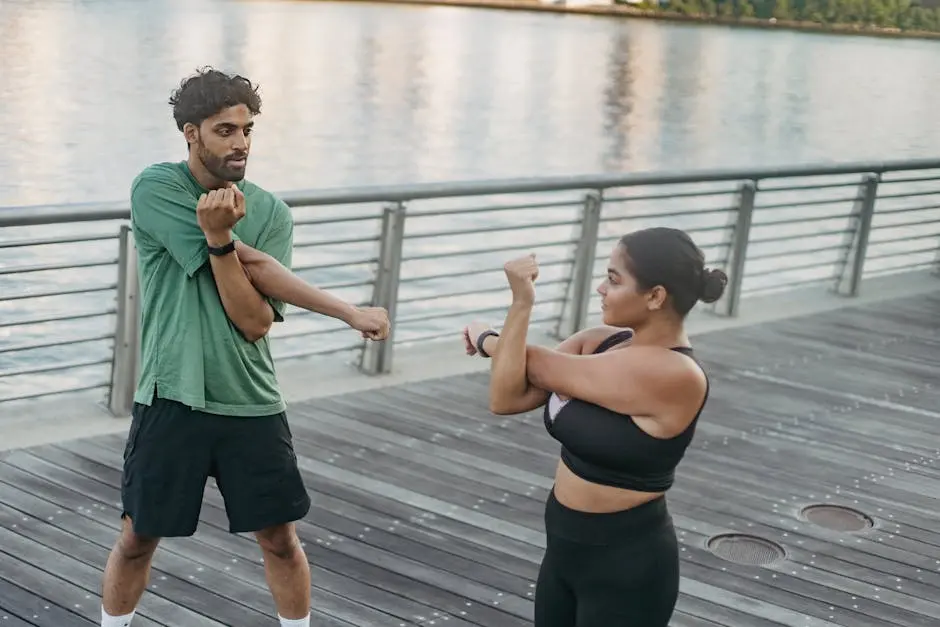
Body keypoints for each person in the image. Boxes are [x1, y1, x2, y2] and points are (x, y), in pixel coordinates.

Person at [99, 67, 390, 627]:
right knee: (137, 537)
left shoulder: (272, 212)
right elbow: (252, 264)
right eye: (225, 130)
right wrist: (347, 310)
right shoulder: (157, 187)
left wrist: (219, 240)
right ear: (191, 133)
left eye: (247, 130)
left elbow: (253, 321)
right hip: (171, 396)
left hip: (251, 401)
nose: (241, 144)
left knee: (281, 539)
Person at [462, 227, 726, 626]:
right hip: (563, 551)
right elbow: (507, 397)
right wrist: (509, 332)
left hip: (627, 566)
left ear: (656, 296)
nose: (601, 288)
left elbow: (532, 363)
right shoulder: (600, 342)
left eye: (614, 280)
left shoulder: (676, 373)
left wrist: (494, 332)